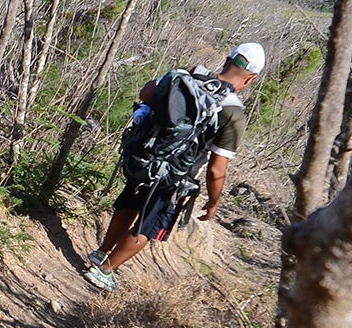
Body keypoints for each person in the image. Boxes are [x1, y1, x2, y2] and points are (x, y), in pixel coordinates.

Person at [83, 42, 265, 291]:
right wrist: (213, 203)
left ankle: (101, 252)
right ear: (251, 78)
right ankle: (104, 272)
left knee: (130, 204)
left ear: (227, 60)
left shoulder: (189, 76)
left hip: (146, 158)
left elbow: (145, 94)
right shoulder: (233, 113)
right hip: (175, 178)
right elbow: (216, 169)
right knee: (149, 226)